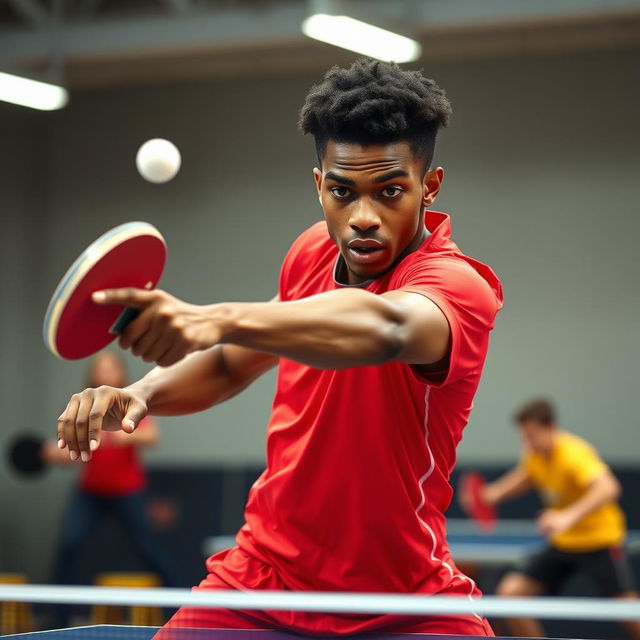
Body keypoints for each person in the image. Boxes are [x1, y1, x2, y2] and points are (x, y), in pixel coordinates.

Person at [56, 59, 503, 636]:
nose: (363, 217)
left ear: (429, 186)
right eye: (343, 191)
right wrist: (139, 393)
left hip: (404, 598)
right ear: (319, 185)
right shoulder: (309, 253)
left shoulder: (458, 286)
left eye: (390, 191)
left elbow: (387, 327)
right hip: (261, 580)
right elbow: (226, 364)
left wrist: (214, 317)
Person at [479, 398, 640, 638]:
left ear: (551, 427)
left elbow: (609, 487)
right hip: (564, 543)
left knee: (628, 612)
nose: (527, 442)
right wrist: (493, 494)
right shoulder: (534, 455)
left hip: (600, 541)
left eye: (532, 435)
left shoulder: (573, 454)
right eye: (524, 436)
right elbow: (527, 476)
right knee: (511, 595)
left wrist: (567, 516)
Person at [46, 351, 174, 602]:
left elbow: (151, 437)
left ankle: (178, 611)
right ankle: (55, 613)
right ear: (92, 374)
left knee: (149, 549)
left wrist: (108, 436)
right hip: (90, 491)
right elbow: (69, 453)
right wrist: (58, 452)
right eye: (100, 368)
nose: (105, 373)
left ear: (120, 371)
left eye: (110, 367)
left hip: (128, 490)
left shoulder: (130, 401)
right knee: (69, 545)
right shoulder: (81, 406)